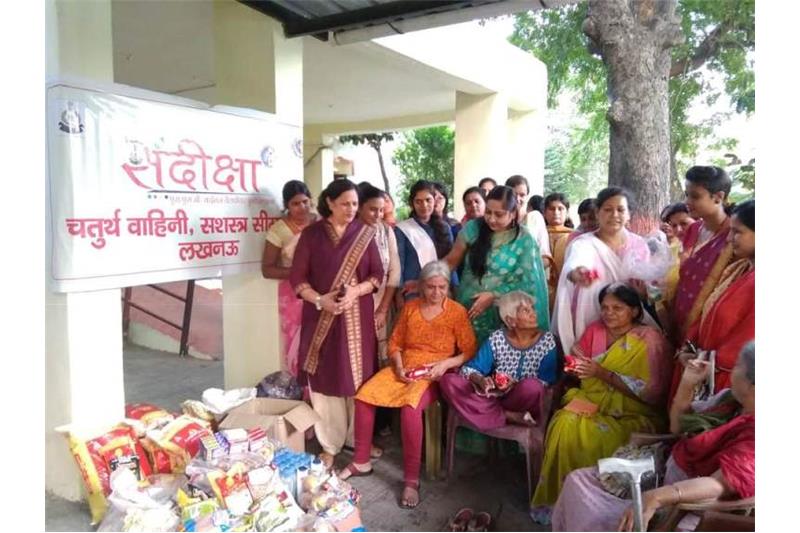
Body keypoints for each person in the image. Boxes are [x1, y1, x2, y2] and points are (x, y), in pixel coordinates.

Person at [551, 341, 754, 532]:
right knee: (578, 482)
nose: (732, 371)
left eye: (738, 366)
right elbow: (677, 426)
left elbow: (718, 485)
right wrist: (687, 383)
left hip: (684, 505)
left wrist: (656, 497)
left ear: (753, 386)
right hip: (663, 472)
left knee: (596, 511)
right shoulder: (728, 401)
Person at [339, 261, 477, 508]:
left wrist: (446, 364)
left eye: (442, 287)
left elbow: (468, 350)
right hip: (404, 368)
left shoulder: (456, 312)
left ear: (448, 287)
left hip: (434, 373)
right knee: (364, 396)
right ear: (422, 286)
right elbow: (395, 343)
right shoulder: (411, 308)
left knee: (410, 408)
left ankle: (411, 480)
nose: (436, 292)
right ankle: (361, 461)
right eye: (431, 287)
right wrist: (399, 366)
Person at [530, 284, 672, 524]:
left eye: (617, 308)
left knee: (596, 435)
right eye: (605, 307)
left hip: (634, 413)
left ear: (635, 311)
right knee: (564, 423)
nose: (609, 313)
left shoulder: (649, 340)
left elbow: (652, 394)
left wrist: (601, 373)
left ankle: (595, 506)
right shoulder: (595, 330)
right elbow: (579, 367)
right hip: (593, 401)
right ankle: (560, 501)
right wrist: (576, 367)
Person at [289, 179, 384, 468]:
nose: (351, 209)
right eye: (345, 204)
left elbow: (377, 275)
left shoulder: (364, 233)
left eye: (355, 204)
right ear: (329, 203)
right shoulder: (312, 235)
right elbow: (298, 279)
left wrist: (356, 291)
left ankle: (359, 440)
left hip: (358, 318)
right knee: (326, 379)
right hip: (321, 317)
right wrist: (321, 300)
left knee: (359, 379)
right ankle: (330, 443)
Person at [551, 186, 660, 353]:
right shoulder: (583, 244)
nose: (614, 215)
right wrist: (578, 274)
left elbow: (649, 288)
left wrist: (643, 293)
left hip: (628, 321)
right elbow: (574, 265)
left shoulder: (639, 245)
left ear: (629, 214)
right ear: (598, 213)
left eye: (620, 210)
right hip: (590, 314)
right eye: (608, 209)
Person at [668, 200, 754, 400]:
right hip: (702, 362)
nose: (729, 238)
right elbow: (709, 310)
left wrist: (703, 359)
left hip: (729, 380)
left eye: (737, 232)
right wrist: (689, 347)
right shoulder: (738, 270)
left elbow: (746, 341)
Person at [440, 291, 561, 430]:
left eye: (532, 309)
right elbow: (469, 369)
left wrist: (514, 384)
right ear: (510, 321)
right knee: (449, 381)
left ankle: (488, 414)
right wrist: (481, 380)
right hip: (493, 398)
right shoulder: (497, 339)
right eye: (526, 311)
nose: (533, 314)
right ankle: (507, 416)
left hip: (522, 401)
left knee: (532, 387)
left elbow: (546, 382)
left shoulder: (547, 341)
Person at [444, 185, 550, 344]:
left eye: (499, 214)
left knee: (497, 354)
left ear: (512, 213)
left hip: (506, 316)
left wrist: (494, 294)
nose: (491, 219)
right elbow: (451, 261)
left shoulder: (524, 239)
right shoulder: (473, 228)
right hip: (469, 308)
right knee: (468, 352)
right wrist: (426, 279)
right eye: (488, 212)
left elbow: (529, 282)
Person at [261, 180, 318, 376]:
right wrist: (300, 272)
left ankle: (319, 387)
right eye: (295, 204)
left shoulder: (321, 222)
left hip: (322, 289)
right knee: (297, 342)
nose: (302, 207)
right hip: (293, 295)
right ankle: (300, 385)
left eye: (305, 202)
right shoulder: (279, 230)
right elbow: (267, 270)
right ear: (286, 205)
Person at [672, 166, 734, 344]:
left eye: (695, 196)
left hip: (708, 325)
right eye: (687, 195)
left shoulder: (733, 237)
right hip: (680, 316)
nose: (687, 201)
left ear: (718, 197)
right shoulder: (693, 229)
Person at [358, 185, 401, 366]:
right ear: (360, 207)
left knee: (381, 352)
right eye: (373, 209)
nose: (378, 215)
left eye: (381, 210)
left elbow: (394, 271)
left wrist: (383, 309)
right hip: (355, 303)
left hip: (382, 300)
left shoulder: (386, 231)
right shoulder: (350, 232)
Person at [395, 180, 454, 301]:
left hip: (440, 290)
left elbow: (451, 261)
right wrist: (398, 295)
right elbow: (398, 265)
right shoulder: (403, 229)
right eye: (418, 201)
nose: (424, 205)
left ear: (434, 200)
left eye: (428, 200)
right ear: (412, 203)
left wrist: (454, 288)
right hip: (412, 291)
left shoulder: (444, 228)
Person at [505, 175, 552, 268]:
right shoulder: (501, 221)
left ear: (527, 196)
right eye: (514, 195)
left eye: (522, 195)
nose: (518, 199)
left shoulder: (534, 218)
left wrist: (526, 269)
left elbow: (546, 257)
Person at [544, 193, 575, 312]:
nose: (556, 212)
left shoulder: (574, 237)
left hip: (565, 289)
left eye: (560, 209)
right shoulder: (537, 235)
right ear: (544, 213)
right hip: (542, 288)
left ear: (567, 213)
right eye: (551, 209)